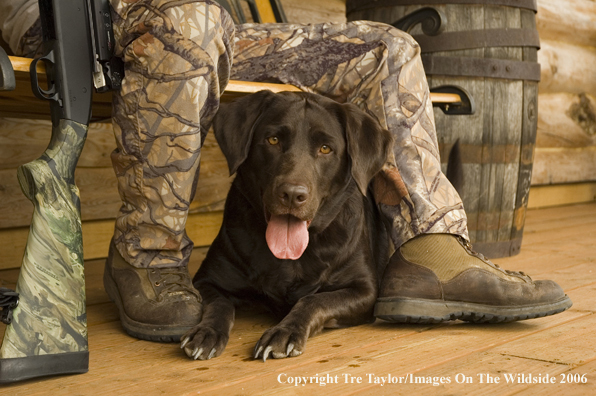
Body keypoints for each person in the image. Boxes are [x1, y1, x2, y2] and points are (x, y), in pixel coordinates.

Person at [0, 0, 571, 347]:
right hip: (75, 19)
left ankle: (431, 248)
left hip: (214, 24)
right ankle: (147, 256)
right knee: (191, 19)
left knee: (390, 47)